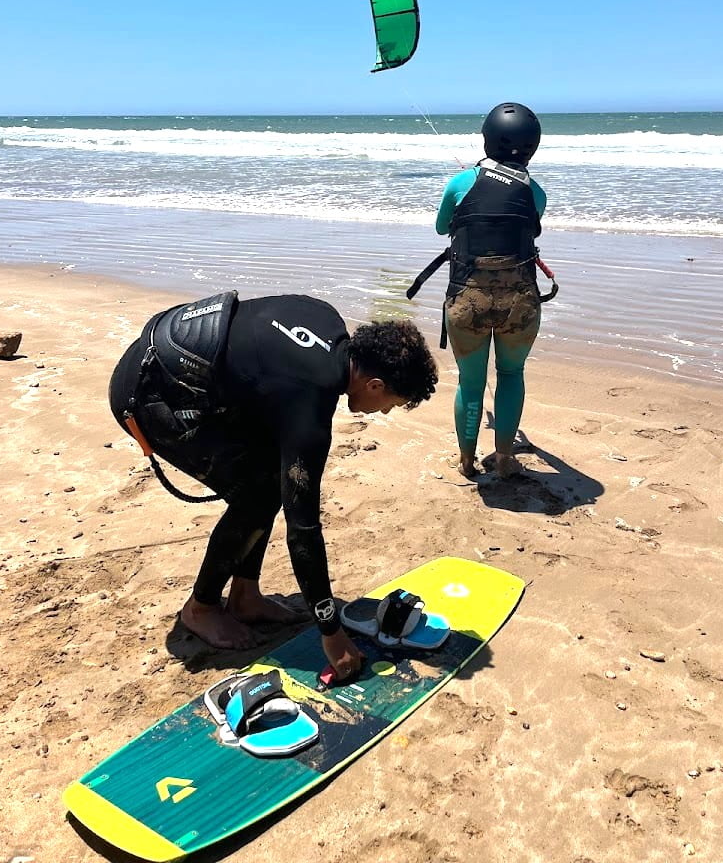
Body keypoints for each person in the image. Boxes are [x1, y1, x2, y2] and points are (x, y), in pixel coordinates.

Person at [108, 289, 437, 682]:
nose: (383, 411)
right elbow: (304, 531)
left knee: (267, 478)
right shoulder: (310, 399)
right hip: (149, 393)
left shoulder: (326, 320)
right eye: (391, 404)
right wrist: (330, 631)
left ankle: (245, 596)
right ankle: (201, 608)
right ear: (376, 385)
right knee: (258, 495)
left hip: (174, 360)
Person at [434, 102, 547, 480]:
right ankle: (503, 458)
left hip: (467, 300)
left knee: (471, 381)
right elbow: (528, 228)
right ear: (532, 146)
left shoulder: (459, 183)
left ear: (486, 138)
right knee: (511, 374)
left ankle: (466, 461)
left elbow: (441, 228)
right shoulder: (537, 192)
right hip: (520, 302)